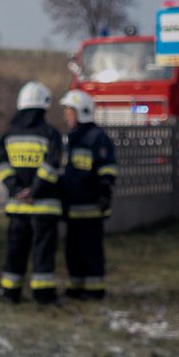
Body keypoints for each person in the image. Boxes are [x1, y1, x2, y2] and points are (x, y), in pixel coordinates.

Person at [0, 81, 63, 304]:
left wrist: (16, 189)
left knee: (15, 250)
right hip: (44, 207)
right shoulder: (51, 134)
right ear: (43, 107)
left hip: (17, 207)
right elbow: (52, 165)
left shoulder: (8, 135)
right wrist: (35, 190)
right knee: (43, 251)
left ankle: (10, 292)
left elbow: (1, 165)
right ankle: (43, 294)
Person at [59, 89, 117, 300]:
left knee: (90, 249)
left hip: (91, 207)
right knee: (72, 250)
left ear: (82, 112)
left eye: (70, 112)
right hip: (72, 208)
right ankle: (75, 286)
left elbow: (108, 168)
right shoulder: (70, 139)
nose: (67, 116)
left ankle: (94, 289)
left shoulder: (97, 138)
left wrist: (104, 192)